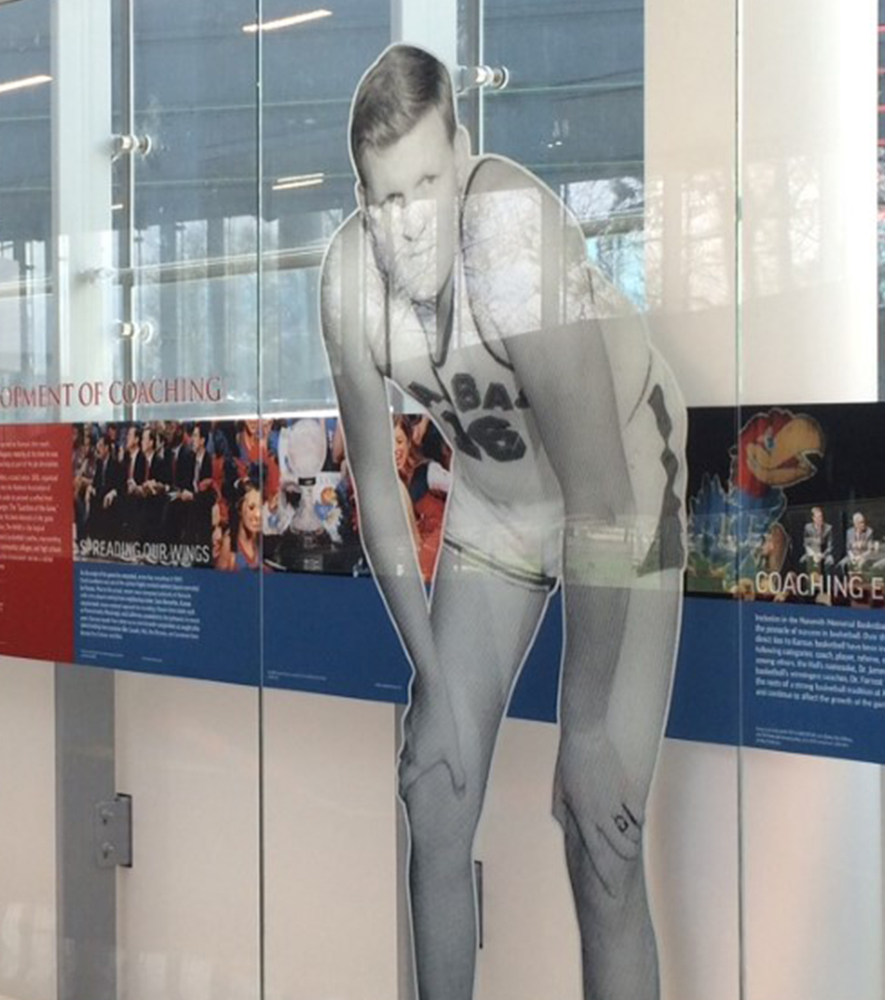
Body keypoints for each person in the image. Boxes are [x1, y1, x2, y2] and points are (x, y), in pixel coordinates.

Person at [319, 44, 687, 1000]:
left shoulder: (512, 238)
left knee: (599, 832)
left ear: (465, 154)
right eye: (386, 199)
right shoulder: (347, 285)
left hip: (625, 481)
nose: (409, 223)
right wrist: (433, 686)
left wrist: (590, 731)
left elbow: (601, 501)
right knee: (433, 796)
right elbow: (380, 497)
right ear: (362, 200)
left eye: (429, 184)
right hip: (499, 495)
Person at [799, 506, 834, 576]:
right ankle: (806, 583)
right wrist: (813, 554)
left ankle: (828, 585)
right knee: (802, 561)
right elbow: (806, 544)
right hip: (812, 553)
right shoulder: (807, 528)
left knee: (830, 561)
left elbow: (830, 546)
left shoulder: (828, 528)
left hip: (824, 553)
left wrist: (822, 555)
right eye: (817, 517)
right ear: (813, 518)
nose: (820, 519)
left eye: (821, 517)